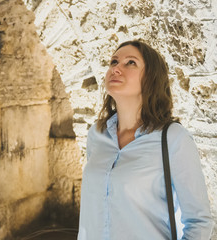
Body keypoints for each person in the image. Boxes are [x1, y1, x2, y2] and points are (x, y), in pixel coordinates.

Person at [77, 40, 213, 240]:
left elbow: (199, 222)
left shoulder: (173, 139)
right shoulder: (97, 134)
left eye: (130, 63)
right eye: (114, 62)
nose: (116, 68)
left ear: (151, 79)